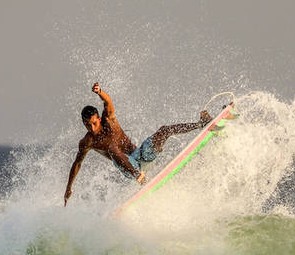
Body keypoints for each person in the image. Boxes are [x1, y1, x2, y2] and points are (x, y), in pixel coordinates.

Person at [63, 82, 213, 206]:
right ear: (84, 124)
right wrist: (68, 188)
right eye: (88, 125)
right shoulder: (87, 142)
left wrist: (100, 92)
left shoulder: (109, 120)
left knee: (164, 130)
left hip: (142, 156)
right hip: (130, 169)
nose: (92, 128)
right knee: (111, 148)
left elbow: (108, 102)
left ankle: (201, 123)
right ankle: (141, 179)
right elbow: (77, 163)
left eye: (94, 123)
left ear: (99, 119)